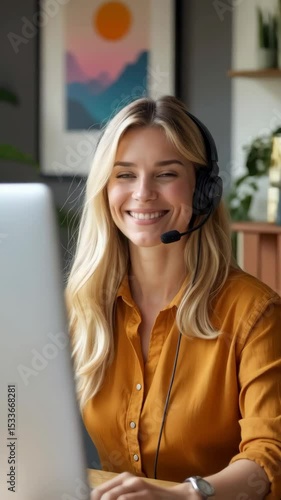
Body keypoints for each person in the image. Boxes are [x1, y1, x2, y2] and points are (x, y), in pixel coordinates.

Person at [66, 95, 281, 499]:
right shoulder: (82, 307)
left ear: (203, 190)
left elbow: (271, 457)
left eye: (165, 174)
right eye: (124, 175)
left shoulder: (254, 313)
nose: (143, 193)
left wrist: (184, 495)